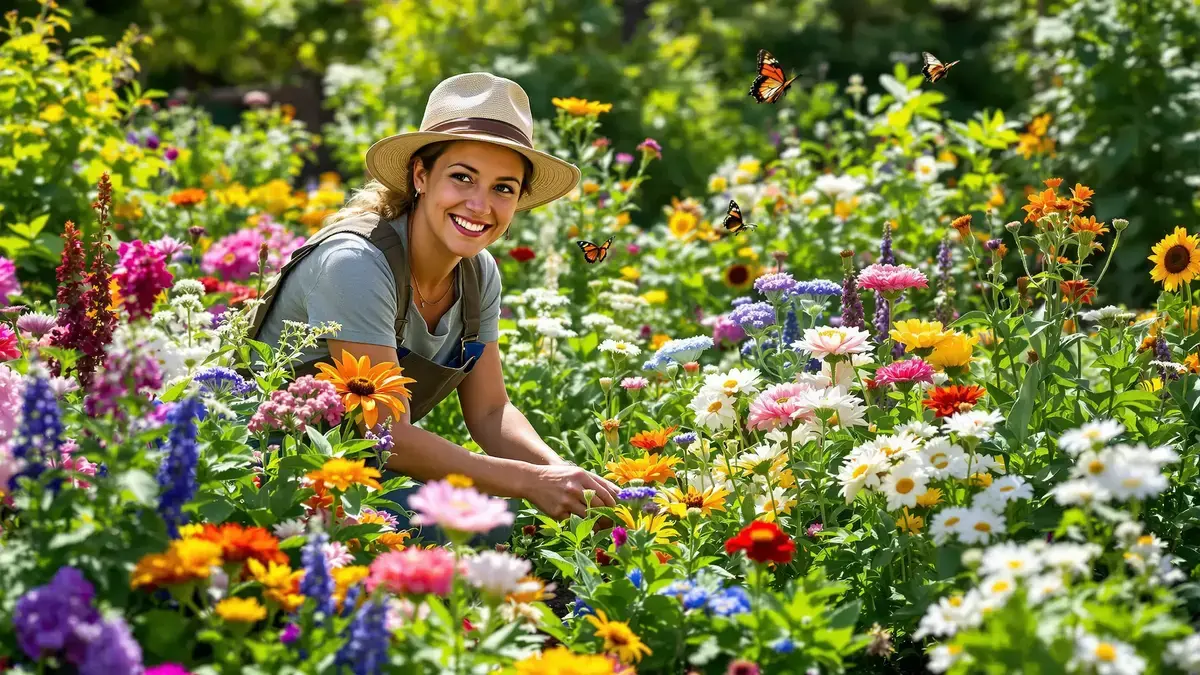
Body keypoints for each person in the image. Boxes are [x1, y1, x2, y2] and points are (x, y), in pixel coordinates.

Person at [249, 72, 620, 524]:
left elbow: (489, 410)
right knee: (469, 529)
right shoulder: (356, 264)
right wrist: (528, 481)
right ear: (421, 176)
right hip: (262, 474)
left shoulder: (478, 274)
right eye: (462, 178)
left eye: (503, 187)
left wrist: (565, 477)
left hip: (354, 472)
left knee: (497, 522)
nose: (481, 205)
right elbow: (388, 433)